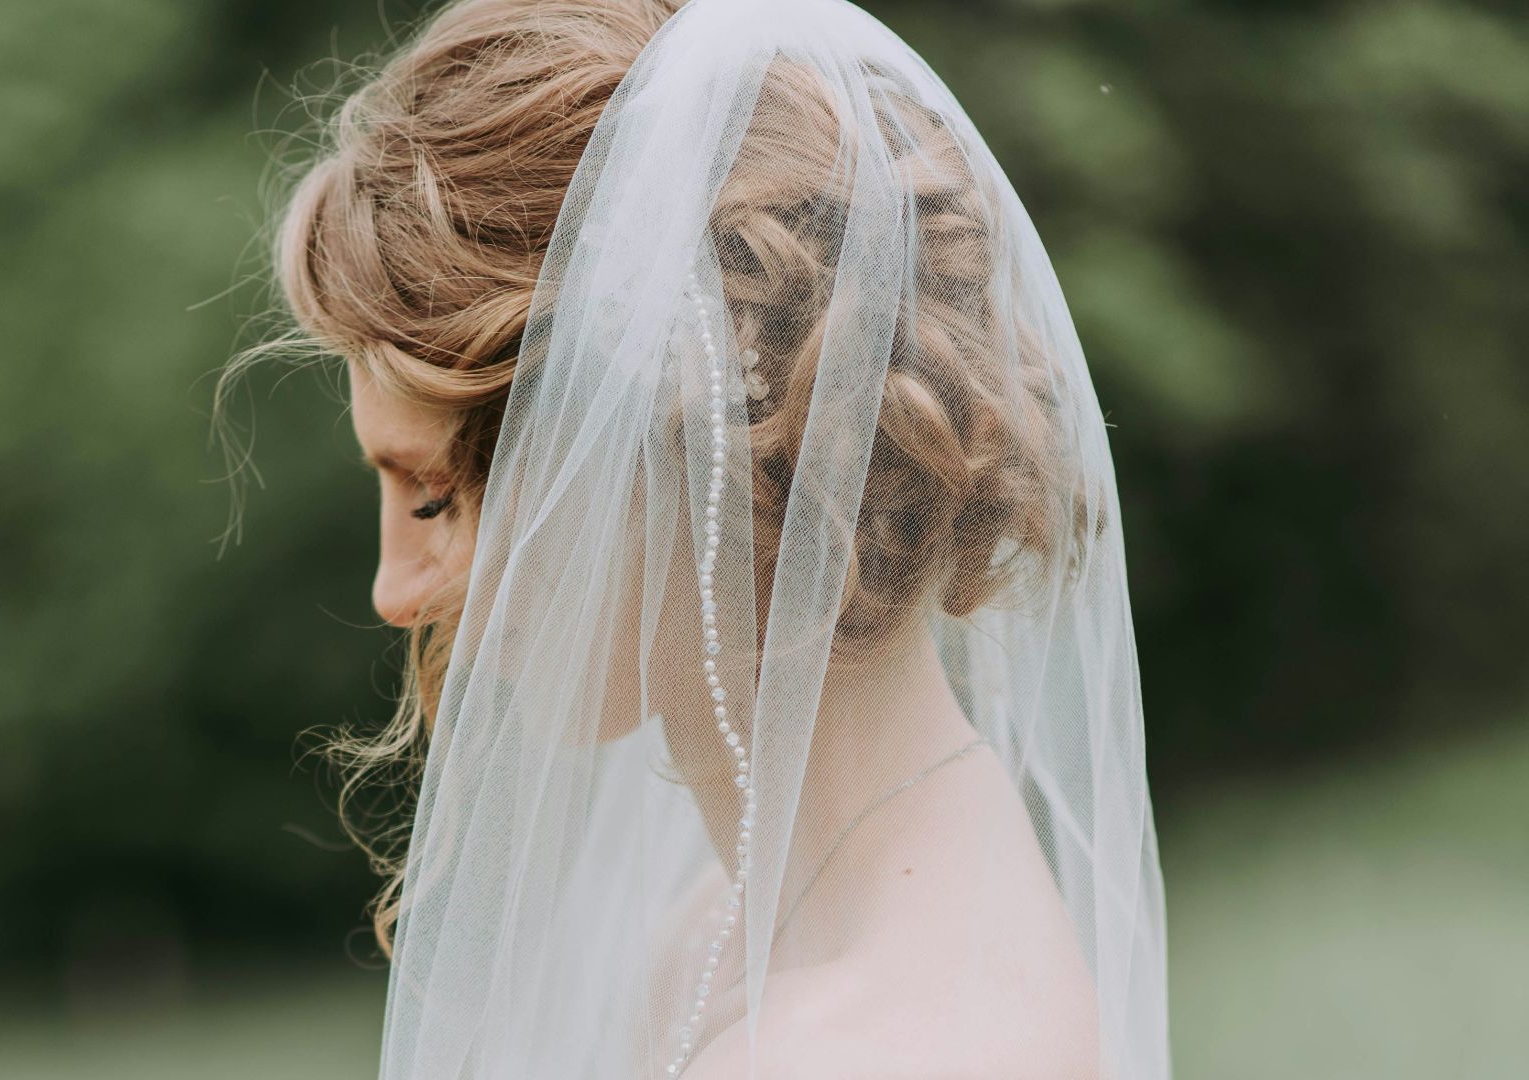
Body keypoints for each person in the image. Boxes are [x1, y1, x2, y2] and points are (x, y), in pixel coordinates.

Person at [237, 0, 1170, 1074]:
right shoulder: (734, 938)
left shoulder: (873, 1049)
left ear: (666, 445)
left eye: (435, 499)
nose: (396, 591)